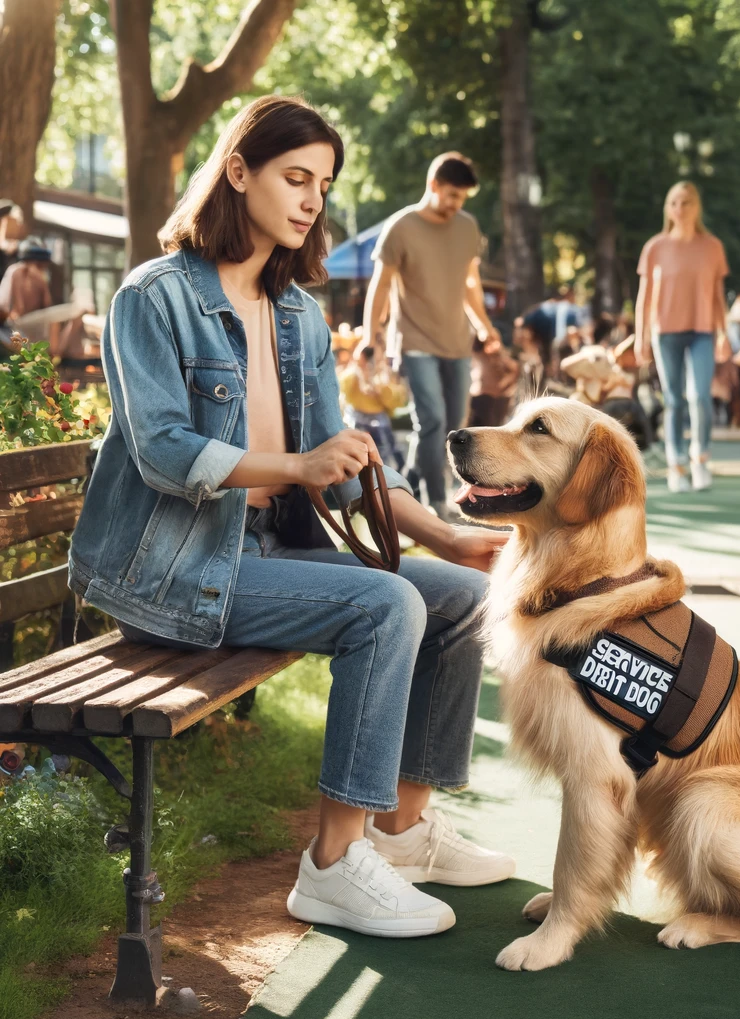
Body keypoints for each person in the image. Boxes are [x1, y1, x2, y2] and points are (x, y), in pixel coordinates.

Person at [68, 96, 513, 941]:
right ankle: (334, 871)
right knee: (385, 607)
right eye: (295, 177)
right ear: (238, 171)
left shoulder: (298, 311)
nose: (312, 199)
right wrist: (297, 468)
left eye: (324, 183)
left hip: (266, 551)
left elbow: (337, 471)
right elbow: (164, 450)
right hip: (174, 569)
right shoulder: (151, 298)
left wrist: (447, 535)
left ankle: (402, 832)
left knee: (459, 595)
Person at [362, 152, 500, 522]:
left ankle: (402, 483)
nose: (456, 205)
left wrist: (486, 329)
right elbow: (380, 285)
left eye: (462, 199)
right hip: (413, 339)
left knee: (456, 427)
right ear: (433, 185)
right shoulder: (401, 227)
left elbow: (471, 285)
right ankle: (437, 502)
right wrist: (370, 336)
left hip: (457, 340)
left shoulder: (467, 227)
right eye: (451, 195)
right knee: (433, 421)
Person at [635, 181, 730, 492]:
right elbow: (644, 298)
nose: (680, 208)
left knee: (699, 397)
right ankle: (676, 466)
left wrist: (723, 335)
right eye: (674, 202)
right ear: (668, 208)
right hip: (665, 333)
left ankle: (700, 459)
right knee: (674, 400)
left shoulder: (712, 247)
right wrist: (641, 337)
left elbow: (717, 296)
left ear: (696, 206)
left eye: (686, 202)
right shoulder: (655, 248)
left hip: (703, 330)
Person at [339, 338, 406, 468]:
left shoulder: (385, 378)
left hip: (379, 422)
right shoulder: (352, 376)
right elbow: (343, 389)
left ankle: (385, 474)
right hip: (357, 420)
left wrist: (381, 388)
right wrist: (360, 374)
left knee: (384, 452)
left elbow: (396, 401)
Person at [468, 334, 520, 427]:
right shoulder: (478, 356)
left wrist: (505, 383)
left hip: (499, 400)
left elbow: (514, 369)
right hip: (481, 397)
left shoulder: (500, 357)